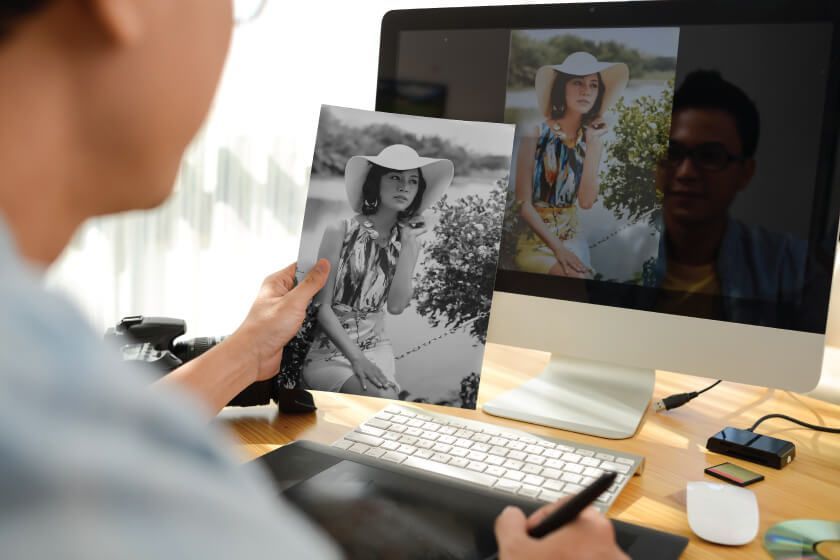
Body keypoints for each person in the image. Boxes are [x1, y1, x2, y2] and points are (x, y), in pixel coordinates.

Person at [0, 1, 627, 559]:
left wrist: (247, 352)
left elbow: (114, 444)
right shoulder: (43, 410)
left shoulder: (44, 383)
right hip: (342, 348)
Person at [652, 70, 811, 325]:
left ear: (745, 173)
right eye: (673, 153)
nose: (686, 173)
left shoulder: (790, 266)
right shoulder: (607, 255)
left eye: (710, 156)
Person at [302, 144, 453, 398]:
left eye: (412, 181)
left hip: (377, 347)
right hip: (329, 350)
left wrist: (407, 245)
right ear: (376, 182)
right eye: (395, 177)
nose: (404, 186)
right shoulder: (340, 230)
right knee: (384, 399)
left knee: (386, 402)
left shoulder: (409, 243)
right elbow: (321, 308)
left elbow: (395, 306)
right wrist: (358, 360)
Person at [513, 51, 628, 278]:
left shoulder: (591, 142)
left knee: (581, 284)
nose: (586, 90)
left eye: (593, 85)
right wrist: (559, 250)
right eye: (577, 82)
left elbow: (585, 202)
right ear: (562, 88)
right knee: (575, 279)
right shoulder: (534, 133)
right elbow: (523, 205)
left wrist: (594, 144)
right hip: (535, 240)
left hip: (573, 237)